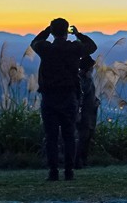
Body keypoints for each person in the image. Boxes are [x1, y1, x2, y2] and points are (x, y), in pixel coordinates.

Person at [31, 18, 97, 181]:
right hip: (69, 96)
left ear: (53, 32)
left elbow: (35, 42)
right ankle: (69, 171)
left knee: (51, 136)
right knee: (69, 135)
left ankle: (53, 172)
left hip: (49, 96)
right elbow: (92, 47)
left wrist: (47, 31)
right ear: (67, 31)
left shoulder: (46, 48)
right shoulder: (74, 48)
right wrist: (78, 34)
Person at [74, 55, 99, 169]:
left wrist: (96, 100)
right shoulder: (82, 79)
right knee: (82, 137)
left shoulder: (87, 79)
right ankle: (78, 161)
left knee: (87, 137)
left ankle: (83, 160)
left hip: (89, 113)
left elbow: (90, 94)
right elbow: (83, 93)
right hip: (84, 113)